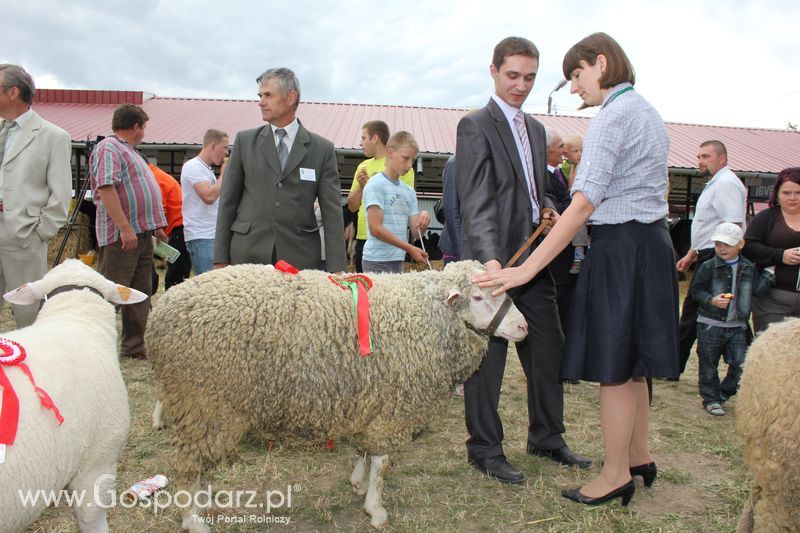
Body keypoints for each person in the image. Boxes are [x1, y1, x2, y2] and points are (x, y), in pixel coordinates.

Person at [474, 32, 678, 506]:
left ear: (601, 63)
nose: (573, 87)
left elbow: (583, 203)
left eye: (577, 75)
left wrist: (526, 270)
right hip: (650, 243)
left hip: (621, 248)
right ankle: (638, 456)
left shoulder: (612, 116)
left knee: (614, 368)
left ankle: (614, 474)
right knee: (634, 365)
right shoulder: (645, 110)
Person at [456, 36, 590, 486]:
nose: (521, 85)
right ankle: (485, 449)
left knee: (549, 345)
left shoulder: (534, 128)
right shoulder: (475, 125)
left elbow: (537, 189)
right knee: (487, 360)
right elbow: (475, 201)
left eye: (530, 77)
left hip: (534, 261)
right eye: (512, 75)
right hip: (495, 263)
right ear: (493, 71)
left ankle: (547, 438)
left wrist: (547, 208)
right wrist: (491, 261)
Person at [214, 68, 345, 271]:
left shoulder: (322, 149)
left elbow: (332, 214)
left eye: (268, 95)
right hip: (247, 255)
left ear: (291, 97)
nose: (261, 102)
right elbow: (227, 204)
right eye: (260, 95)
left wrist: (337, 269)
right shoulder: (244, 141)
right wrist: (220, 259)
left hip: (300, 258)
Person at [89, 104, 167, 359]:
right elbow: (106, 188)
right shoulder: (109, 147)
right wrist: (124, 227)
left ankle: (134, 346)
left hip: (141, 234)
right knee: (110, 291)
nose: (144, 132)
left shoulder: (131, 152)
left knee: (139, 293)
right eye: (143, 127)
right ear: (136, 126)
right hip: (121, 236)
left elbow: (138, 190)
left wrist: (155, 226)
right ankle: (91, 344)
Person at [0, 64, 71, 327]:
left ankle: (31, 352)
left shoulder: (53, 136)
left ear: (13, 92)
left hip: (24, 235)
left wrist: (40, 232)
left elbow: (61, 193)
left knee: (28, 314)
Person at [676, 140, 747, 373]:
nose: (700, 161)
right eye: (699, 157)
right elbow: (708, 226)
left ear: (722, 158)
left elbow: (733, 225)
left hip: (718, 255)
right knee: (695, 310)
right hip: (707, 253)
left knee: (711, 311)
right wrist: (692, 253)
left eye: (706, 156)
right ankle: (675, 364)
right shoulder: (716, 182)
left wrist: (723, 262)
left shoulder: (726, 183)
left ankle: (675, 365)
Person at [691, 223, 774, 416]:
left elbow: (757, 290)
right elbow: (696, 291)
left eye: (727, 244)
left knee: (741, 363)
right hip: (710, 324)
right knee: (708, 364)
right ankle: (710, 399)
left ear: (741, 244)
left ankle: (723, 393)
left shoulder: (749, 268)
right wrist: (711, 300)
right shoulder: (708, 266)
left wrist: (770, 274)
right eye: (718, 244)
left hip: (737, 326)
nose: (722, 248)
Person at [347, 120, 416, 273]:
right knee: (365, 287)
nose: (360, 143)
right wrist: (361, 187)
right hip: (364, 238)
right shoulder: (362, 166)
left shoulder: (403, 166)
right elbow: (352, 206)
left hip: (391, 243)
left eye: (364, 138)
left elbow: (406, 205)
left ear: (375, 138)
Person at [742, 167, 800, 332]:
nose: (792, 198)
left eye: (798, 192)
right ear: (777, 194)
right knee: (771, 347)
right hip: (772, 301)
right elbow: (748, 247)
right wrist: (780, 255)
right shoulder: (766, 218)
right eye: (786, 193)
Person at [362, 131, 428, 273]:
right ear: (390, 152)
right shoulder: (376, 185)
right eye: (405, 158)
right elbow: (375, 229)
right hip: (376, 261)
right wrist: (409, 248)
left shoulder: (409, 192)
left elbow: (416, 234)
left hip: (398, 260)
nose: (409, 165)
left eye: (413, 160)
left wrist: (424, 220)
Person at [181, 129, 228, 275]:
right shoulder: (193, 166)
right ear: (213, 145)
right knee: (210, 283)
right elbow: (208, 196)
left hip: (211, 235)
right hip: (202, 236)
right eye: (224, 147)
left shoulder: (206, 169)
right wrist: (225, 174)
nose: (226, 153)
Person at [544, 128, 576, 333]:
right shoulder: (542, 177)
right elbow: (555, 213)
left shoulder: (560, 173)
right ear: (547, 150)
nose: (565, 151)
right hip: (556, 259)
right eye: (561, 146)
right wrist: (573, 196)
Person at [149, 161, 191, 290]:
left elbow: (160, 207)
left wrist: (158, 229)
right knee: (179, 267)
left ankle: (173, 295)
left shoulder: (153, 177)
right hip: (180, 225)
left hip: (179, 226)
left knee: (177, 271)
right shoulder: (158, 174)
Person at [562, 134, 588, 274]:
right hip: (581, 204)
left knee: (579, 223)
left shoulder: (584, 166)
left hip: (587, 203)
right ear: (566, 154)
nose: (580, 154)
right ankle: (579, 253)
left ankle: (580, 255)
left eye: (582, 150)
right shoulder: (567, 168)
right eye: (575, 151)